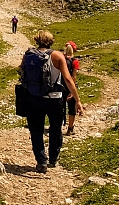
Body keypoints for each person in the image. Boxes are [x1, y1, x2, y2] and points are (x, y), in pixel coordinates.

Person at [19, 30, 83, 173]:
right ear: (51, 41)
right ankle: (53, 159)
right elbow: (67, 79)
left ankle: (41, 161)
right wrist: (77, 100)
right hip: (54, 99)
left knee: (36, 130)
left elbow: (21, 72)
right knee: (55, 128)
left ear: (37, 40)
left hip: (33, 98)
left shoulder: (29, 55)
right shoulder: (57, 56)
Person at [64, 42, 81, 135]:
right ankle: (70, 128)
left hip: (60, 86)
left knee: (59, 107)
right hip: (70, 87)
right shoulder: (75, 61)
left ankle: (56, 126)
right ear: (74, 50)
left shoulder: (60, 59)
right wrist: (72, 90)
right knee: (71, 108)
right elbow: (73, 77)